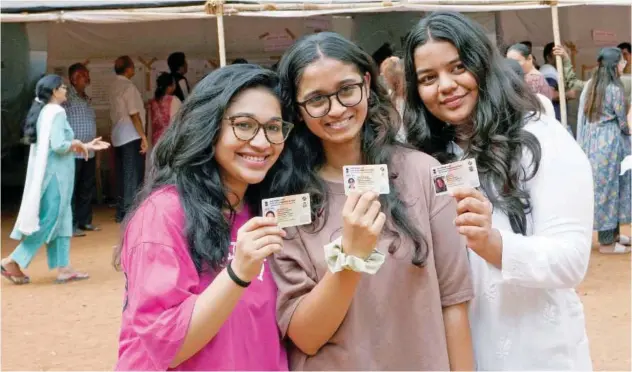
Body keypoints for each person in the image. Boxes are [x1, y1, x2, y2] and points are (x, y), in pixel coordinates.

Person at [271, 31, 474, 370]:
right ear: (297, 108)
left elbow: (454, 302)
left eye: (347, 90)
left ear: (367, 83)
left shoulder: (422, 173)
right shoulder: (287, 203)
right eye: (317, 99)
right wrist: (350, 258)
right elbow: (305, 336)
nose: (336, 109)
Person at [403, 11, 594, 370]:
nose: (445, 85)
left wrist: (493, 244)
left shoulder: (539, 138)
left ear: (483, 64)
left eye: (458, 68)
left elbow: (571, 261)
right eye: (429, 77)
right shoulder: (420, 155)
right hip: (453, 351)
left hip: (534, 351)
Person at [114, 64, 295, 370]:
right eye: (244, 125)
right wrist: (238, 272)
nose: (263, 142)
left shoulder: (262, 210)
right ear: (209, 127)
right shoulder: (165, 213)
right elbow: (167, 345)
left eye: (274, 127)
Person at [1, 74, 110, 285]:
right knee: (50, 220)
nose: (65, 90)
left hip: (54, 175)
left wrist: (83, 145)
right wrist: (79, 143)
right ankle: (13, 260)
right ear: (54, 92)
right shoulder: (57, 112)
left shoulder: (46, 112)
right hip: (58, 177)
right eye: (62, 87)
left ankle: (64, 267)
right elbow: (59, 145)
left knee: (62, 220)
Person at [577, 47, 631, 254]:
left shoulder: (591, 85)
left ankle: (614, 236)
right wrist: (628, 132)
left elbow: (583, 117)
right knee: (612, 190)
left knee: (603, 191)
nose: (623, 64)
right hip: (610, 143)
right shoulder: (614, 89)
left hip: (592, 142)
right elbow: (622, 121)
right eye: (621, 61)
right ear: (614, 65)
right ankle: (607, 243)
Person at [109, 56, 148, 223]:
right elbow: (134, 113)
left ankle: (121, 211)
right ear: (128, 69)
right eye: (133, 67)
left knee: (122, 174)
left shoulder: (112, 85)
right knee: (133, 174)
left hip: (117, 134)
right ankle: (129, 213)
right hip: (131, 134)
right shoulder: (128, 86)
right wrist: (143, 136)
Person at [63, 63, 101, 237]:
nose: (87, 78)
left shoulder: (86, 97)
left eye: (87, 74)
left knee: (86, 187)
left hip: (89, 151)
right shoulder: (66, 98)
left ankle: (84, 221)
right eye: (83, 75)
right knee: (71, 189)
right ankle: (70, 225)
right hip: (73, 152)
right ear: (73, 78)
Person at [148, 72, 182, 145]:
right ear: (169, 87)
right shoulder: (174, 100)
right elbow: (176, 123)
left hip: (155, 141)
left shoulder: (152, 101)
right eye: (174, 83)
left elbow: (150, 126)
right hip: (169, 142)